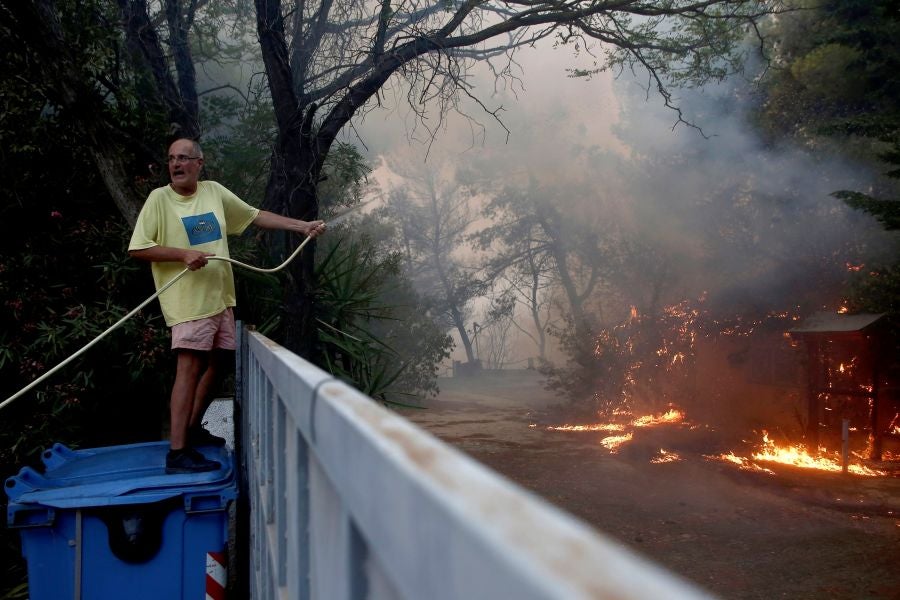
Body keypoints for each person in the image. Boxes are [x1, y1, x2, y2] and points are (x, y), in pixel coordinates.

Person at [129, 138, 326, 474]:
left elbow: (254, 215)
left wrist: (302, 226)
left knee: (219, 364)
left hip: (220, 298)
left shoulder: (213, 192)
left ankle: (191, 432)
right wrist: (182, 254)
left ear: (199, 163)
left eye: (183, 158)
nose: (176, 164)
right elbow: (138, 248)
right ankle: (178, 453)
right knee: (189, 368)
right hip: (188, 303)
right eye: (171, 159)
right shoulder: (159, 199)